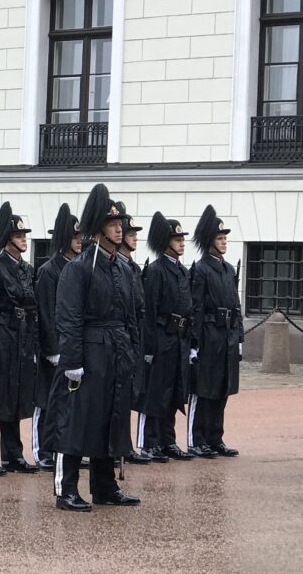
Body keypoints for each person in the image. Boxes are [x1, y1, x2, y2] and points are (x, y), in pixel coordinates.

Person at [48, 183, 140, 511]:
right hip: (88, 351)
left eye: (121, 224)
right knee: (75, 421)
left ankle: (105, 485)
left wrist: (131, 353)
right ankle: (66, 489)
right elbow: (68, 318)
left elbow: (130, 316)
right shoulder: (78, 268)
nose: (120, 229)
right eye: (113, 224)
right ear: (98, 230)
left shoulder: (123, 269)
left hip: (115, 351)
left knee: (109, 419)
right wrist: (72, 361)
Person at [0, 204, 39, 476]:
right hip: (0, 336)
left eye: (24, 234)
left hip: (20, 338)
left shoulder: (26, 269)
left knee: (14, 397)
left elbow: (33, 307)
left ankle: (13, 453)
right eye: (19, 234)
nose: (24, 238)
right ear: (7, 238)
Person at [138, 212, 195, 463]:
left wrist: (191, 342)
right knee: (156, 392)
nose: (182, 243)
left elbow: (188, 308)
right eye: (177, 239)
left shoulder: (182, 271)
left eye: (182, 239)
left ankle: (167, 440)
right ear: (166, 242)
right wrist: (149, 347)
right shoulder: (156, 270)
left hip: (179, 338)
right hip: (162, 336)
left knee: (174, 391)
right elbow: (149, 311)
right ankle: (150, 442)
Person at [188, 205, 242, 458]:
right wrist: (194, 343)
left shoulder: (229, 269)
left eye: (225, 238)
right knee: (204, 391)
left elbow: (237, 305)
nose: (224, 242)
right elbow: (196, 308)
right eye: (220, 238)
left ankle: (215, 437)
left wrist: (239, 338)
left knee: (222, 389)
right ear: (209, 241)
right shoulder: (201, 269)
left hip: (227, 335)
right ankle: (197, 439)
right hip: (209, 334)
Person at [33, 203, 80, 471]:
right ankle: (43, 451)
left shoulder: (78, 267)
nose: (79, 242)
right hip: (54, 348)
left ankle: (63, 446)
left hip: (71, 346)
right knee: (46, 401)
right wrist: (51, 347)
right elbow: (45, 312)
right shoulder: (49, 271)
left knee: (68, 401)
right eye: (74, 237)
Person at [114, 204, 152, 467]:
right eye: (131, 233)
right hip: (118, 337)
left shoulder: (133, 268)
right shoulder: (118, 266)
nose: (134, 237)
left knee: (129, 394)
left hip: (132, 336)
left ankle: (124, 445)